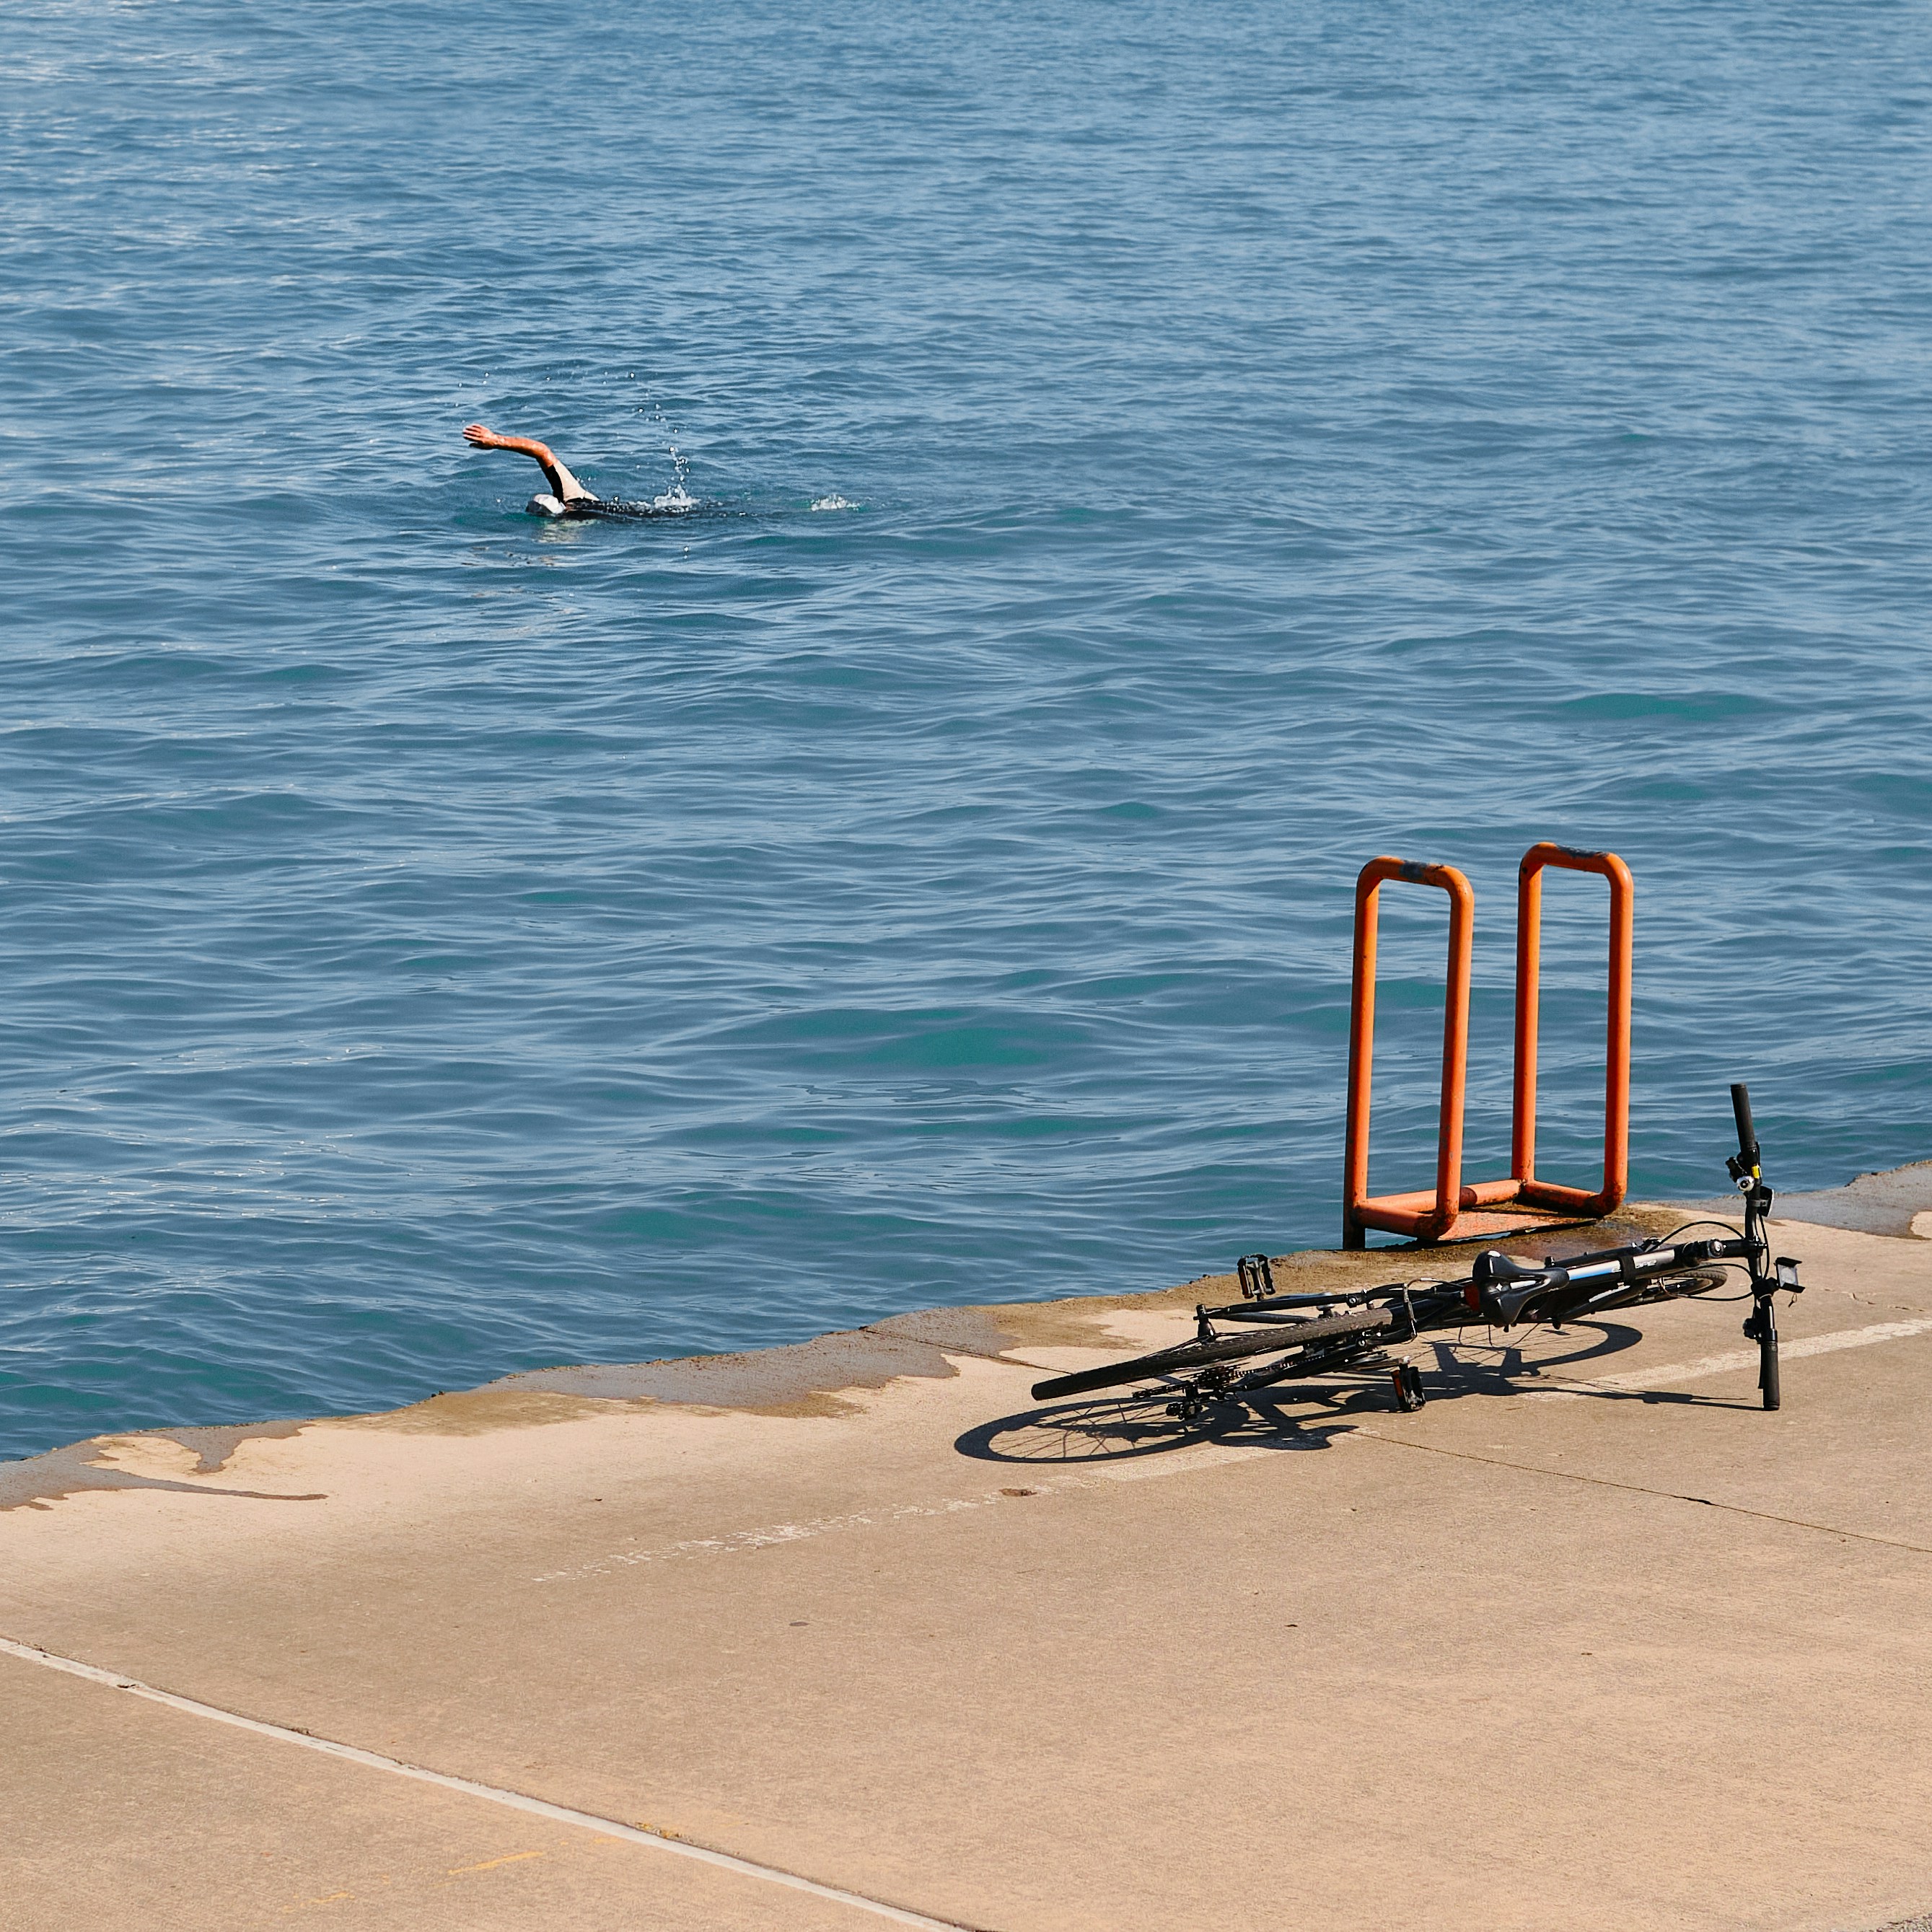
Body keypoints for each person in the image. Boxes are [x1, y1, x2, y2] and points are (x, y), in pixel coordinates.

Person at [462, 423, 684, 519]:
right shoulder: (572, 494)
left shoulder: (569, 501)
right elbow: (542, 451)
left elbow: (541, 451)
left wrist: (497, 441)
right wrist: (496, 441)